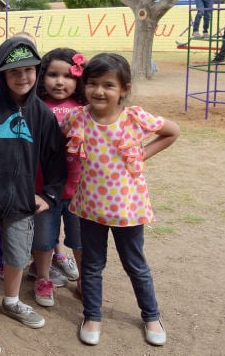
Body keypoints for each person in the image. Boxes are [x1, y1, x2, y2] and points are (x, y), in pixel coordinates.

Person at [62, 53, 179, 347]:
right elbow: (62, 141)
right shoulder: (77, 118)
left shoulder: (134, 118)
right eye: (92, 84)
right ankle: (92, 316)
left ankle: (151, 316)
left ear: (124, 88)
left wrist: (142, 154)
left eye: (108, 85)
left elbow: (171, 132)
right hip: (89, 208)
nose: (99, 91)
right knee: (90, 265)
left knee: (135, 265)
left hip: (128, 209)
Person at [0, 37, 67, 356]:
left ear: (37, 71)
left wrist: (48, 193)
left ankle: (11, 301)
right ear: (3, 75)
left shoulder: (42, 114)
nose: (23, 77)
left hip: (22, 202)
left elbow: (56, 158)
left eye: (29, 70)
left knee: (19, 256)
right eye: (14, 71)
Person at [30, 48, 87, 308]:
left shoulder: (87, 109)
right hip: (43, 191)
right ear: (42, 77)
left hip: (81, 192)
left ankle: (86, 281)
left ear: (79, 79)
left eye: (68, 76)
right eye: (52, 75)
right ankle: (42, 277)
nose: (60, 82)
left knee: (81, 240)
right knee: (43, 240)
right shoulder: (34, 107)